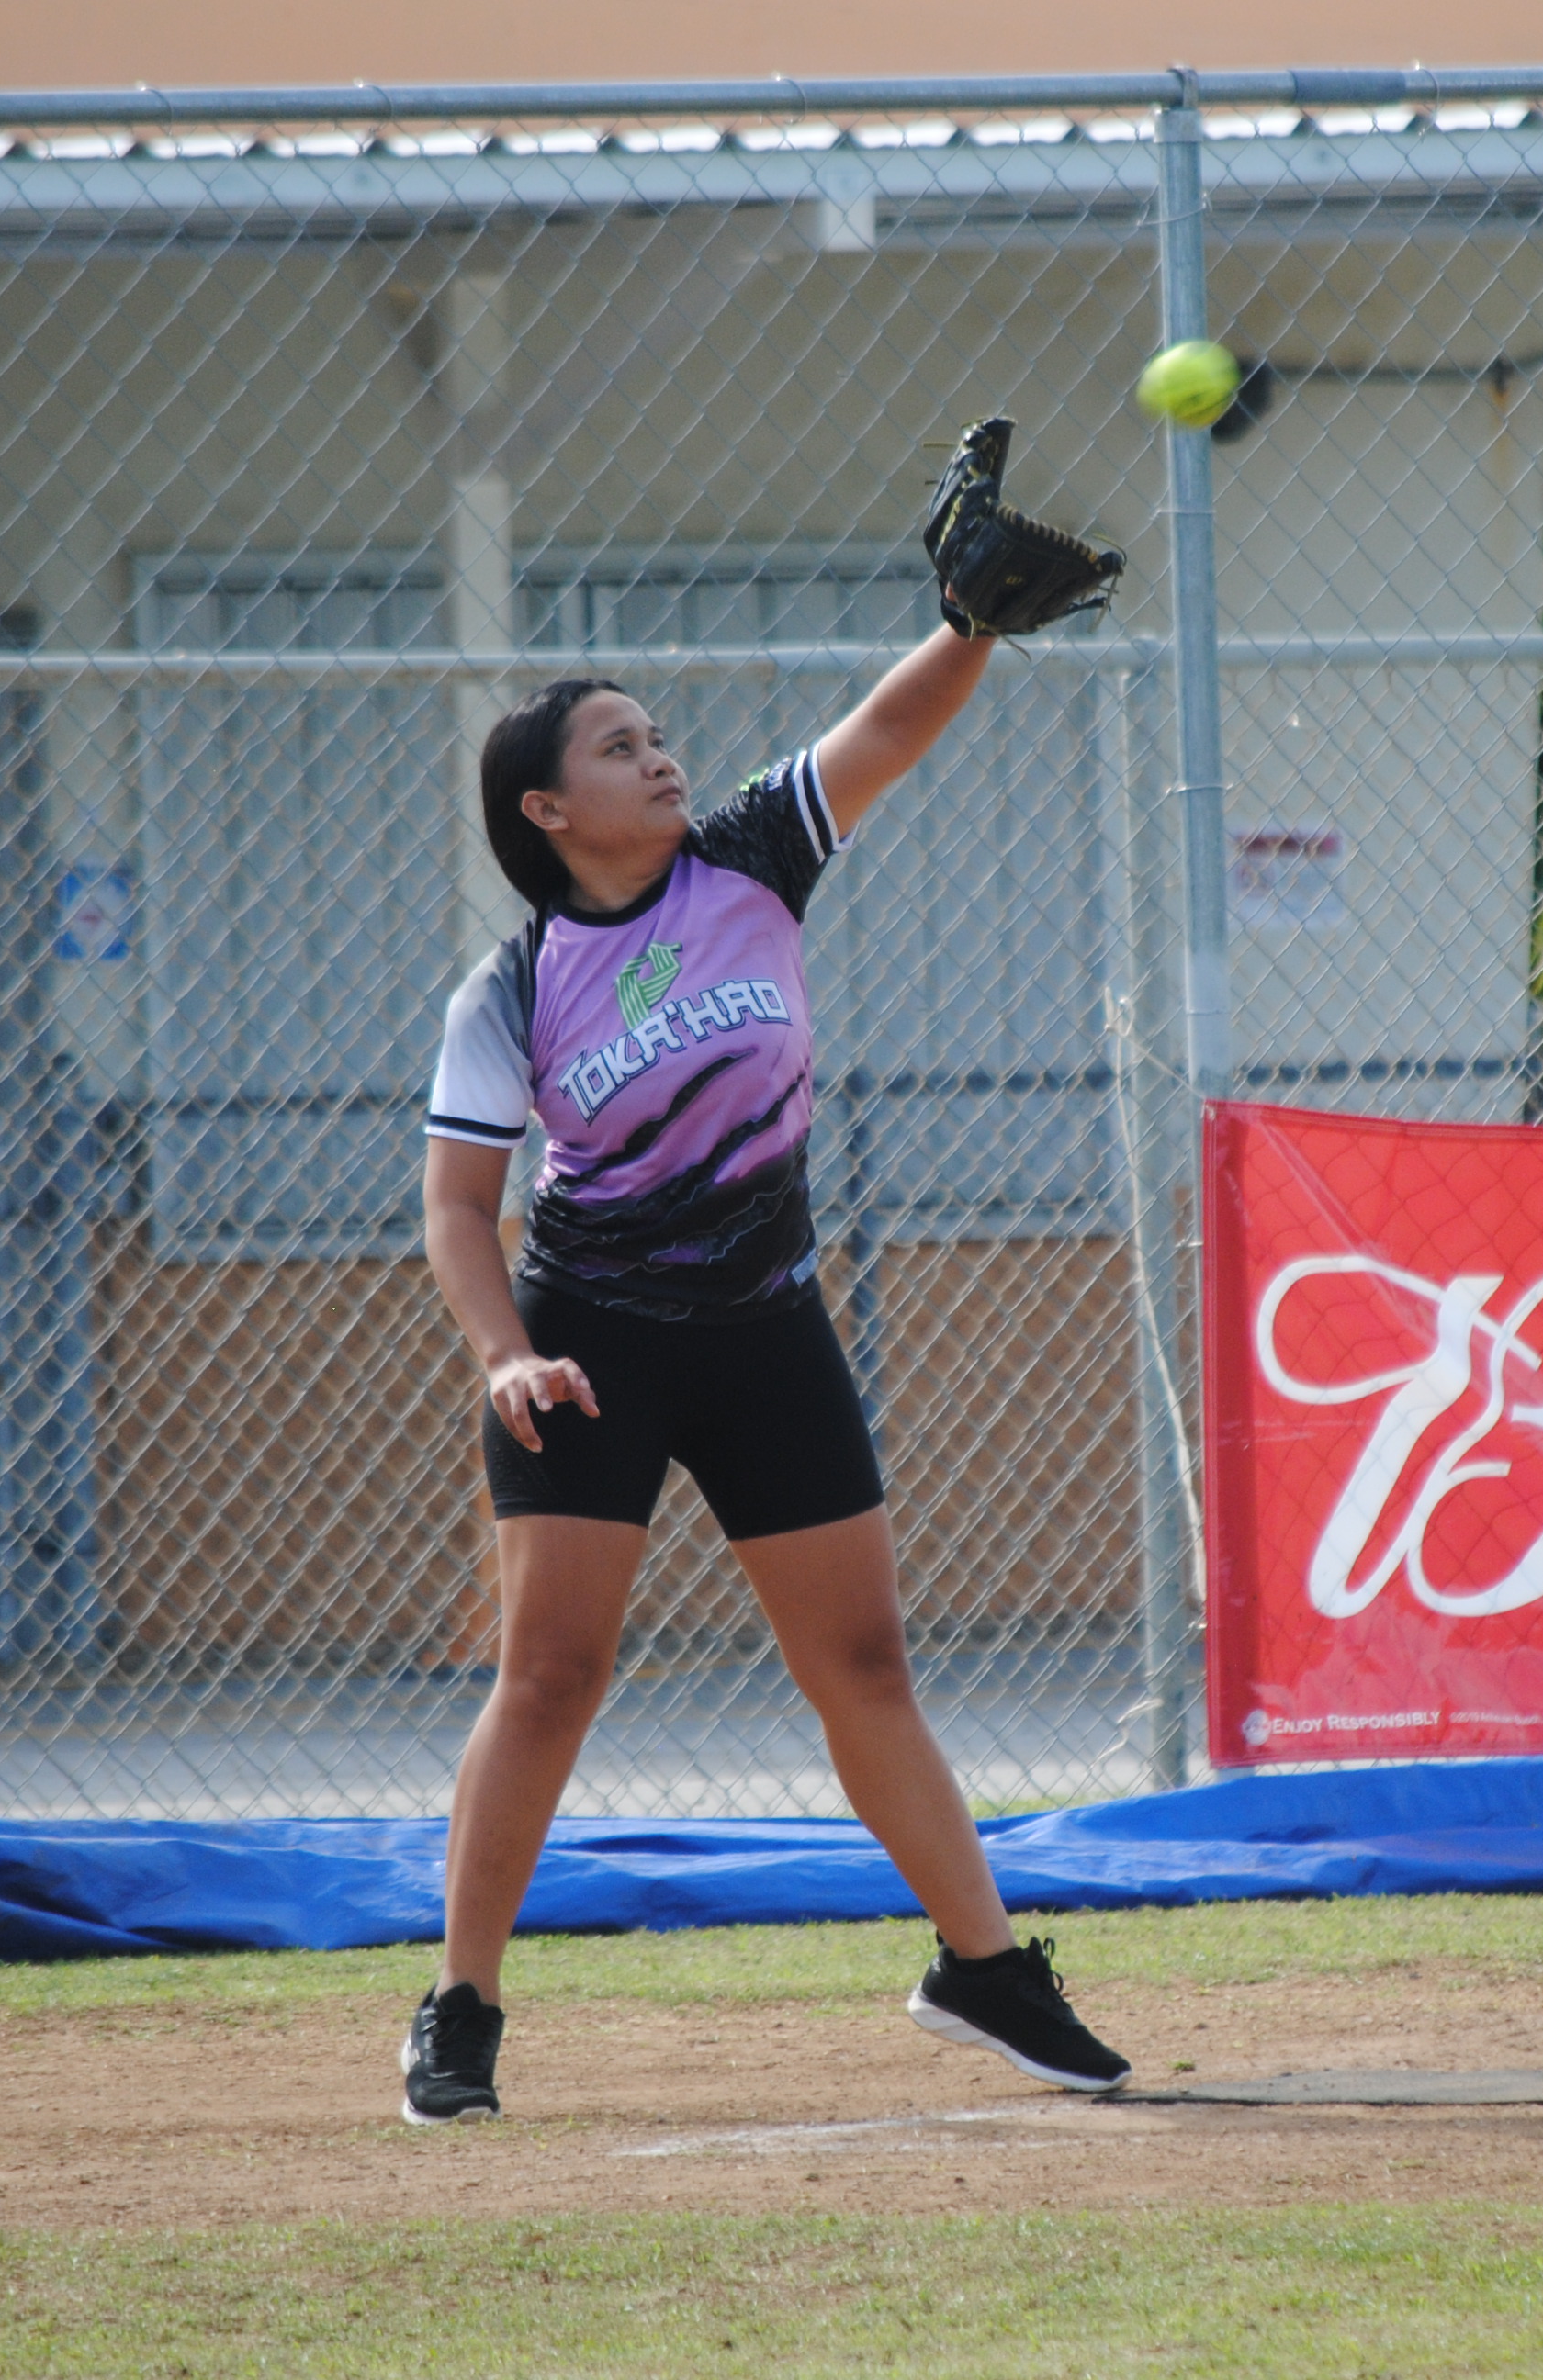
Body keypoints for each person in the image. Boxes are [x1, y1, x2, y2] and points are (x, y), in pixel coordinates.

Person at [397, 613, 1132, 2123]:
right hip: (588, 1351)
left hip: (766, 1328)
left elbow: (887, 731)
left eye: (655, 733)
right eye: (617, 745)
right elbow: (460, 1211)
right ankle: (459, 2008)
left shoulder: (743, 861)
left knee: (862, 1667)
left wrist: (971, 623)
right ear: (547, 810)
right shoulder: (514, 989)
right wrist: (506, 1358)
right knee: (551, 1676)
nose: (658, 755)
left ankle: (982, 1972)